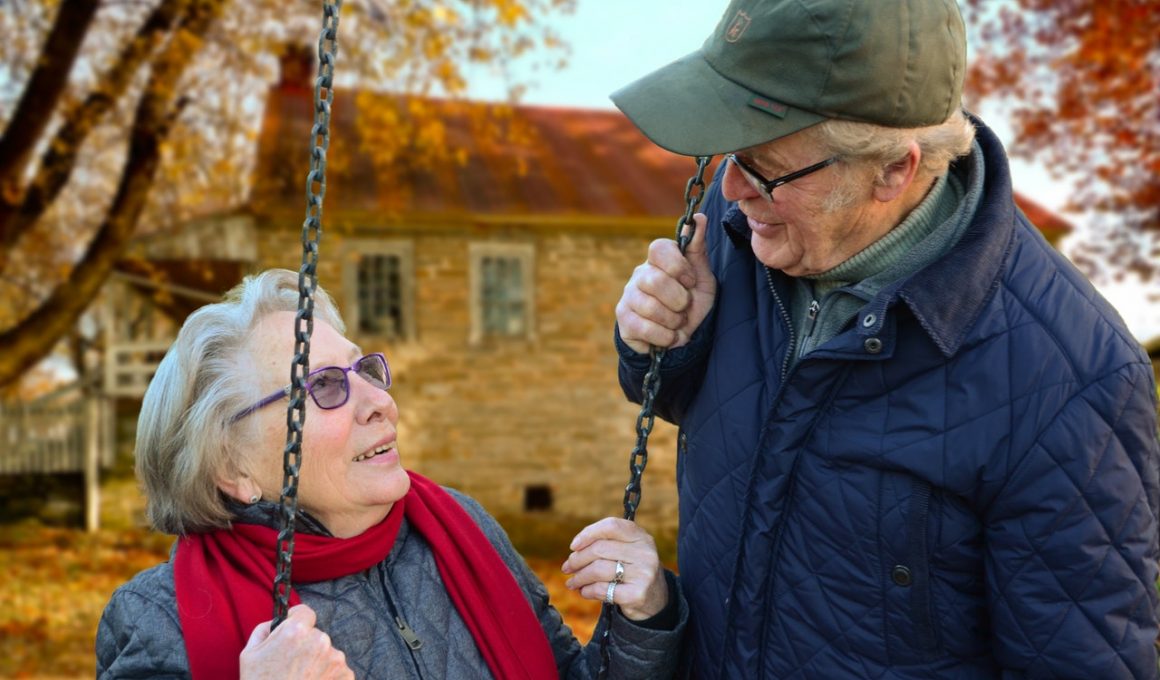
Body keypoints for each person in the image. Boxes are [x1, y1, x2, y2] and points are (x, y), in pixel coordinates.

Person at [610, 0, 1160, 677]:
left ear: (894, 171)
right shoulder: (742, 228)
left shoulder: (1072, 380)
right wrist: (659, 342)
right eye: (728, 154)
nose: (731, 188)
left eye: (764, 167)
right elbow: (691, 403)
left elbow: (1080, 661)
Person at [97, 268, 686, 679]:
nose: (378, 400)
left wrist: (643, 621)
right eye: (323, 386)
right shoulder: (160, 617)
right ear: (232, 467)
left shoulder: (459, 530)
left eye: (364, 370)